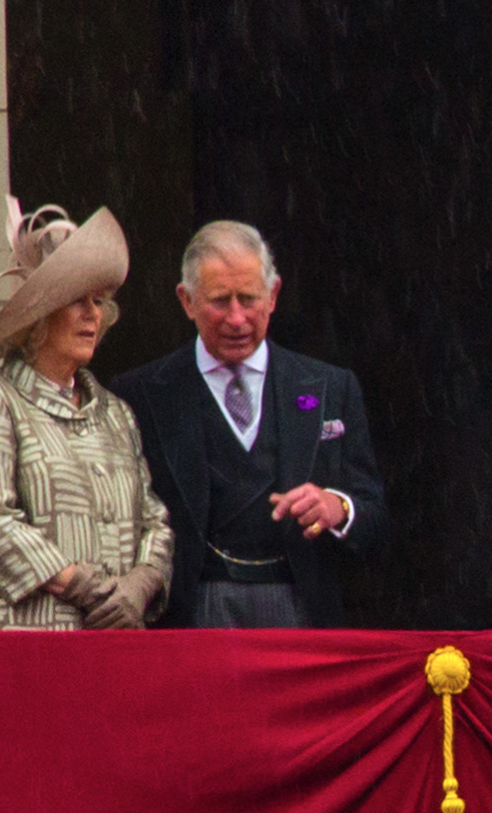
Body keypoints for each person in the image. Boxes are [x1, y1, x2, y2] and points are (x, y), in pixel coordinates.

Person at [109, 221, 388, 628]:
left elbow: (376, 518)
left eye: (249, 299)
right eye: (220, 301)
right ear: (186, 301)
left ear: (273, 295)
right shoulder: (141, 394)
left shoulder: (330, 386)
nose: (237, 318)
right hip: (192, 613)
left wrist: (337, 507)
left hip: (300, 608)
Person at [0, 199, 173, 631]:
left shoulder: (116, 414)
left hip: (109, 648)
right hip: (21, 646)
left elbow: (155, 521)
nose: (93, 314)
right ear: (38, 316)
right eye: (76, 300)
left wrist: (138, 585)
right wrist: (84, 585)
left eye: (99, 301)